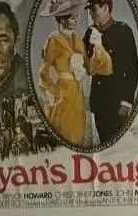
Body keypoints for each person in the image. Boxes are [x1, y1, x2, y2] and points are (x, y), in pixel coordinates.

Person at [37, 0, 94, 147]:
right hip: (62, 96)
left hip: (78, 95)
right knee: (63, 138)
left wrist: (97, 48)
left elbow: (89, 68)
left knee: (78, 136)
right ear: (62, 18)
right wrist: (55, 92)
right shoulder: (53, 40)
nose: (76, 19)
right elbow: (43, 72)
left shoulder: (79, 41)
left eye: (77, 15)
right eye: (72, 16)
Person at [85, 0, 138, 147]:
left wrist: (127, 101)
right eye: (89, 10)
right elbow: (86, 64)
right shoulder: (90, 32)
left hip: (117, 102)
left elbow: (132, 69)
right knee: (105, 146)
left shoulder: (123, 31)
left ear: (105, 8)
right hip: (99, 103)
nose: (90, 13)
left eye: (94, 9)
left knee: (120, 148)